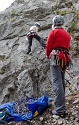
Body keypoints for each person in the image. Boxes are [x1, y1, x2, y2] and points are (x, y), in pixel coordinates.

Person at [46, 15, 71, 118]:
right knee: (61, 80)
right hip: (65, 58)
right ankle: (62, 106)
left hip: (56, 57)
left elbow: (48, 45)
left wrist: (48, 54)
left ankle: (60, 109)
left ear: (54, 23)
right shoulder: (67, 34)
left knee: (57, 82)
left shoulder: (53, 32)